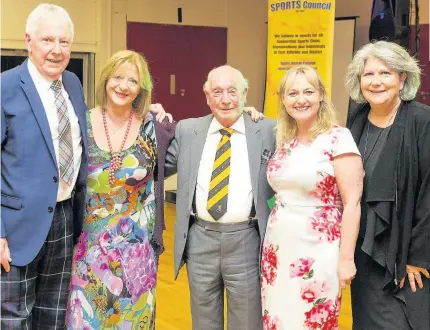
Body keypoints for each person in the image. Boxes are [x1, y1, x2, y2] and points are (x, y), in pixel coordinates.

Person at [65, 50, 176, 329]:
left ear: (141, 89)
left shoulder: (153, 127)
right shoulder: (81, 122)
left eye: (132, 81)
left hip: (136, 257)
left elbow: (203, 134)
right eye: (117, 77)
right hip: (87, 251)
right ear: (105, 79)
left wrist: (247, 116)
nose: (123, 86)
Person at [164, 65, 275, 330]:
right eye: (217, 92)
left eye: (232, 91)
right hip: (200, 239)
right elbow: (156, 167)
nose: (225, 99)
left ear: (245, 93)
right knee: (203, 321)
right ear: (206, 96)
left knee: (247, 321)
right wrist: (153, 120)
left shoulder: (269, 131)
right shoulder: (187, 131)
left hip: (247, 240)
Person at [0, 4, 88, 329]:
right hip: (16, 226)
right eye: (48, 40)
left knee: (53, 316)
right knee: (13, 319)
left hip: (64, 220)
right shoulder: (5, 87)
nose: (56, 50)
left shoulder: (74, 84)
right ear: (28, 41)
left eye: (64, 42)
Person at [261, 65, 363, 329]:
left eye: (308, 91)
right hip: (278, 250)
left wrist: (346, 259)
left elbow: (352, 203)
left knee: (313, 321)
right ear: (283, 99)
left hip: (319, 252)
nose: (301, 99)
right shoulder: (285, 139)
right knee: (279, 319)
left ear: (321, 95)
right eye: (292, 93)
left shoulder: (338, 138)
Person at [345, 40, 430, 330]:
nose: (376, 82)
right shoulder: (355, 119)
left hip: (404, 254)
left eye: (386, 73)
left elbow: (429, 194)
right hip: (363, 251)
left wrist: (419, 256)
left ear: (402, 78)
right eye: (369, 74)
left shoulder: (422, 120)